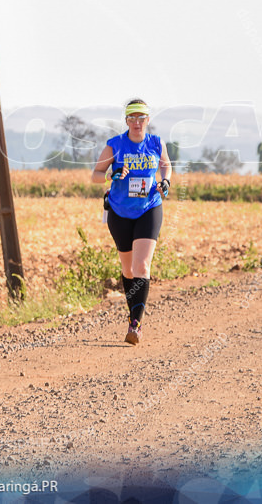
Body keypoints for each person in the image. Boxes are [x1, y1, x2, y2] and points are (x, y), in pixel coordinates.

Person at [91, 99, 172, 345]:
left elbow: (166, 165)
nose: (137, 123)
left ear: (148, 120)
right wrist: (112, 174)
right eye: (132, 118)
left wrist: (165, 182)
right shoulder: (114, 145)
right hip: (119, 211)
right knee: (128, 270)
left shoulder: (156, 143)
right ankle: (132, 313)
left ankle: (135, 325)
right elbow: (95, 176)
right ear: (126, 121)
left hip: (149, 208)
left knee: (142, 266)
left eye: (141, 118)